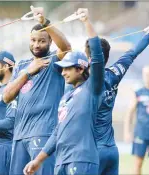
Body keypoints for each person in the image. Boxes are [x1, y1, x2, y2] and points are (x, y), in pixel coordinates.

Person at [23, 8, 104, 175]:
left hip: (82, 160)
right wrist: (38, 160)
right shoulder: (65, 97)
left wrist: (86, 22)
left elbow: (97, 55)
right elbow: (57, 132)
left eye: (67, 69)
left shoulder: (92, 88)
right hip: (61, 161)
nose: (63, 73)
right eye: (62, 69)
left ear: (81, 69)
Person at [2, 6, 71, 175]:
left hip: (45, 133)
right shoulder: (22, 66)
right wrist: (28, 72)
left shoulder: (55, 60)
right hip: (19, 135)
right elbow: (6, 97)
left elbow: (67, 48)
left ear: (50, 42)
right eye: (33, 40)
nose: (36, 45)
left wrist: (45, 22)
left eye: (42, 41)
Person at [85, 22, 149, 174]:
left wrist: (86, 21)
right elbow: (133, 52)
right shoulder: (115, 73)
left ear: (90, 59)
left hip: (93, 150)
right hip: (111, 149)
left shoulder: (86, 80)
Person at [124, 65, 149, 175]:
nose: (148, 77)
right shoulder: (138, 93)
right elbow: (129, 113)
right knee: (138, 163)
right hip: (141, 133)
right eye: (145, 75)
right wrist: (127, 132)